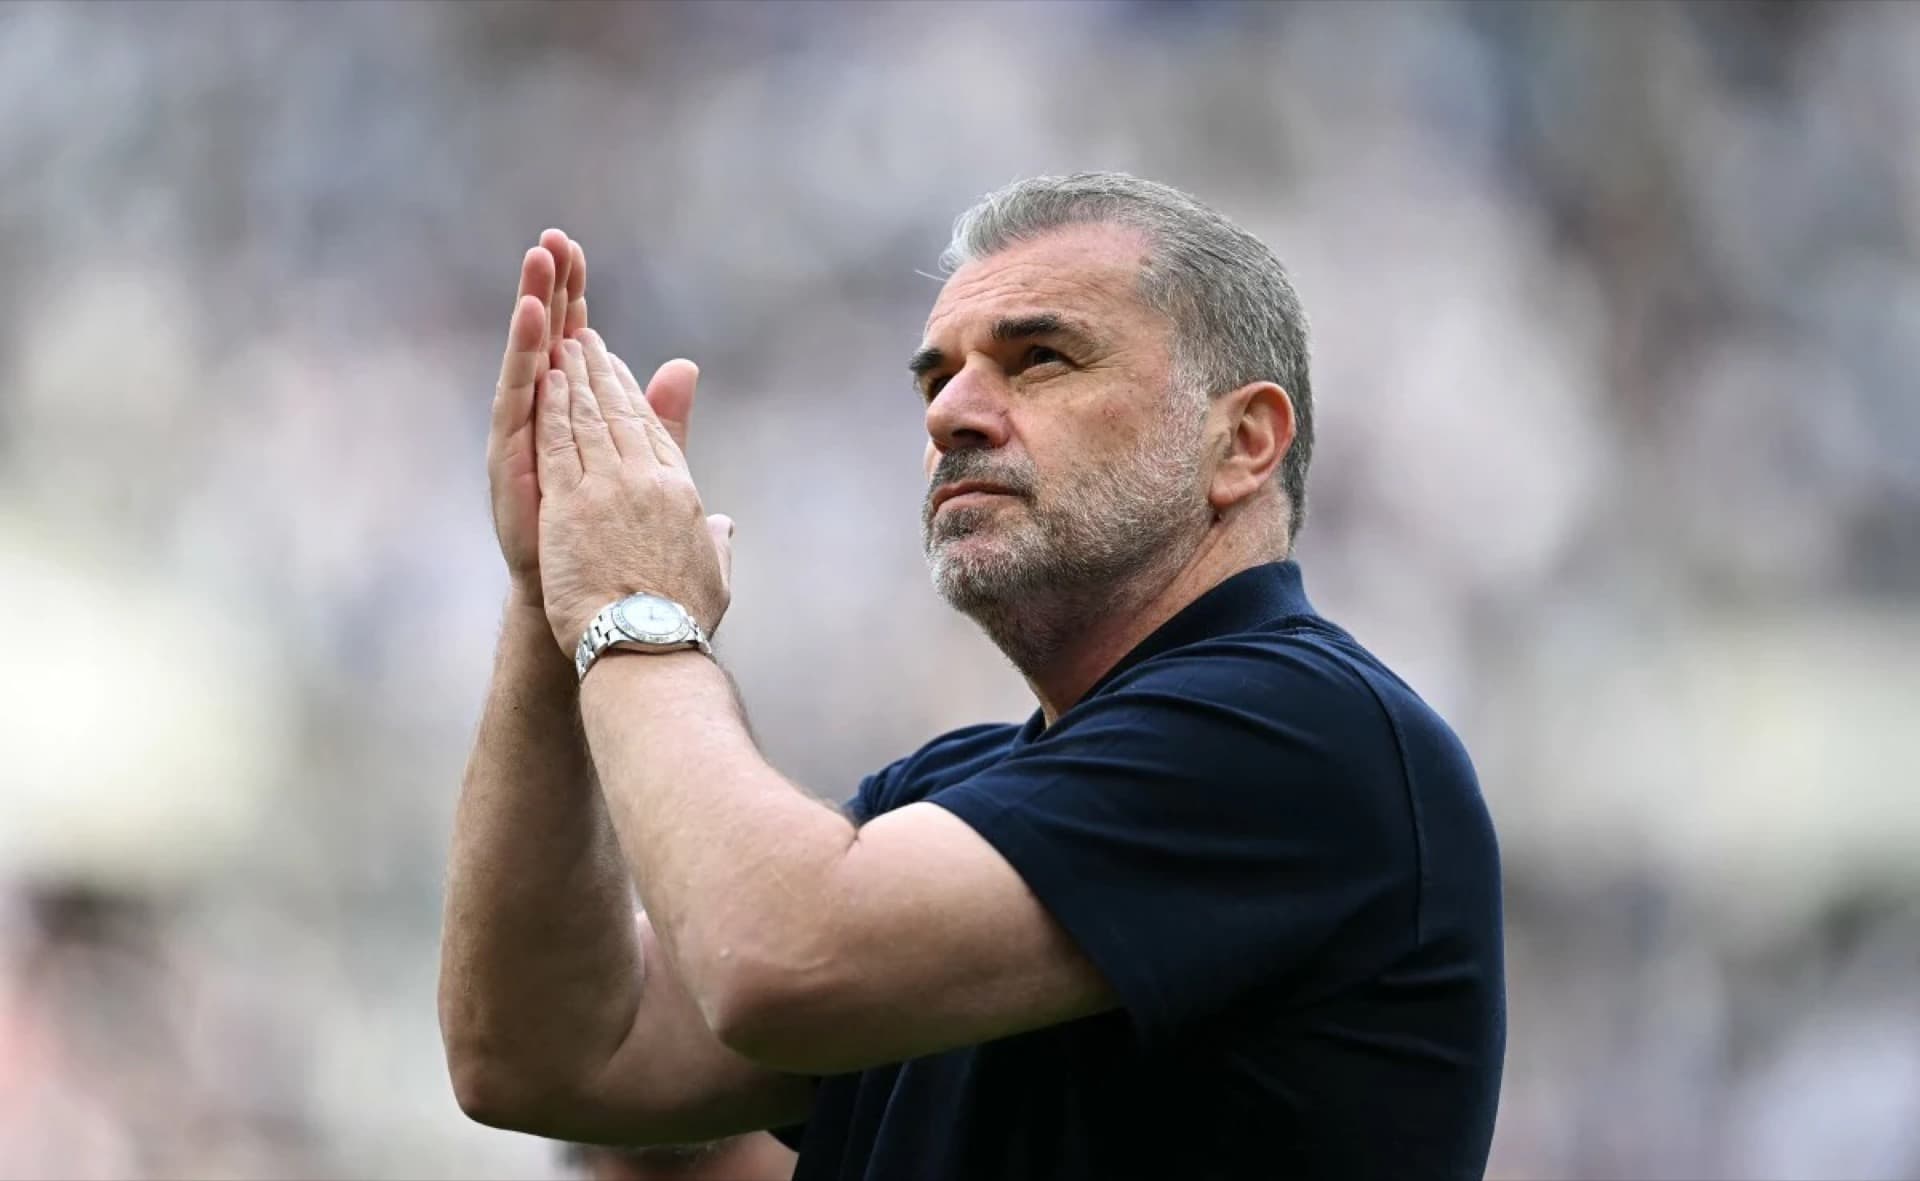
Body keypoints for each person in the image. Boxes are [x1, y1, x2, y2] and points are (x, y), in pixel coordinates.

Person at [438, 173, 1505, 1180]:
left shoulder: (1303, 729)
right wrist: (554, 594)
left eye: (1039, 357)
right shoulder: (956, 789)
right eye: (937, 375)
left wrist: (638, 611)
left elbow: (774, 956)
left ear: (1243, 441)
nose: (953, 411)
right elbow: (543, 1052)